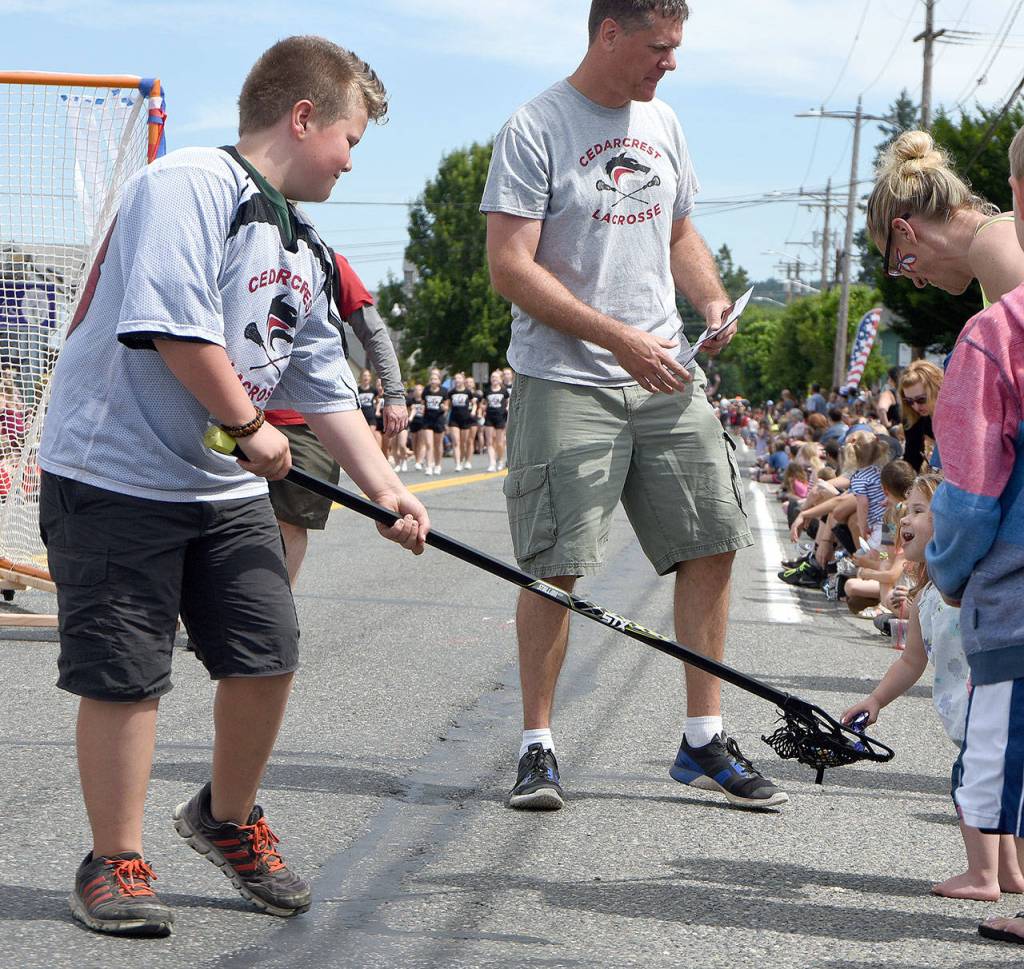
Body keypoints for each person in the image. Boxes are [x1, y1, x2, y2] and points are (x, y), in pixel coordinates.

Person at [36, 36, 430, 938]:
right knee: (129, 674)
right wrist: (252, 430)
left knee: (267, 650)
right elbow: (173, 326)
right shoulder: (187, 186)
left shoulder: (300, 240)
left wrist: (388, 487)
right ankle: (114, 859)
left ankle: (224, 816)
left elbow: (322, 383)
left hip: (216, 489)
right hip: (114, 472)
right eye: (351, 138)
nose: (352, 159)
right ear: (303, 117)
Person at [482, 0, 782, 812]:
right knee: (556, 562)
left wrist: (712, 301)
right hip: (567, 374)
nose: (670, 62)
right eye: (659, 46)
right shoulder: (536, 125)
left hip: (664, 370)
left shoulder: (665, 122)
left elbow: (680, 230)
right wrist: (615, 338)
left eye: (677, 46)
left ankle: (703, 736)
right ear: (608, 33)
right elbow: (510, 266)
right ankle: (537, 745)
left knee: (715, 535)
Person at [843, 474, 1024, 902]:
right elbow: (912, 659)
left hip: (991, 706)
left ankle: (982, 876)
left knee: (972, 783)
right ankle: (1010, 872)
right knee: (998, 784)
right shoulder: (925, 595)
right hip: (969, 712)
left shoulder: (976, 588)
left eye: (921, 511)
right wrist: (877, 699)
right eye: (907, 508)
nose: (906, 517)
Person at [930, 124, 1024, 946]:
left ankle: (1002, 877)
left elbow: (968, 494)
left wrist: (946, 572)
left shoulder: (995, 334)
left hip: (1017, 594)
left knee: (999, 749)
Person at [266, 252, 409, 584]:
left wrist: (395, 393)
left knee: (290, 520)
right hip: (235, 407)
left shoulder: (324, 256)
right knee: (221, 516)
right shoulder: (232, 233)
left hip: (309, 419)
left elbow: (372, 331)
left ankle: (270, 619)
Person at [866, 130, 1024, 307]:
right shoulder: (1000, 238)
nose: (918, 282)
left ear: (904, 231)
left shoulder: (991, 248)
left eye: (897, 265)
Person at [898, 359, 941, 473]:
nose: (916, 407)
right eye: (909, 401)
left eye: (921, 399)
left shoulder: (956, 412)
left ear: (937, 388)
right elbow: (912, 457)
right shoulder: (913, 416)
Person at [446, 372, 475, 471]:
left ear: (463, 380)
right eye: (455, 378)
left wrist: (474, 411)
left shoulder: (468, 392)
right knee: (456, 442)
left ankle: (465, 460)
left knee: (464, 442)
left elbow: (473, 403)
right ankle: (457, 463)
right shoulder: (451, 392)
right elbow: (448, 405)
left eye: (459, 378)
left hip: (465, 419)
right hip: (454, 419)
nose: (457, 380)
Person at [483, 368, 510, 472]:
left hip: (500, 417)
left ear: (500, 379)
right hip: (489, 417)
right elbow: (484, 403)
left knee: (499, 442)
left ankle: (501, 460)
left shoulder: (504, 391)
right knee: (489, 441)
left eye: (496, 377)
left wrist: (507, 408)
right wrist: (482, 408)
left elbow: (508, 402)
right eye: (492, 377)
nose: (494, 379)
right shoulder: (487, 391)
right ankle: (492, 463)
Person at [421, 368, 447, 476]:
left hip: (438, 419)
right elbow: (423, 403)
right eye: (432, 379)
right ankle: (429, 466)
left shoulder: (443, 391)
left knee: (438, 444)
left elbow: (447, 406)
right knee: (428, 444)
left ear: (439, 381)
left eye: (435, 379)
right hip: (427, 419)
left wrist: (443, 407)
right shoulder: (426, 390)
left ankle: (437, 465)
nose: (433, 380)